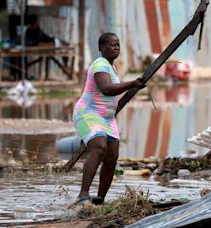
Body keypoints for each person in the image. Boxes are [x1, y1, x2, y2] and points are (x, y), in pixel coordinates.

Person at [72, 32, 145, 206]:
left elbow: (113, 88)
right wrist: (132, 83)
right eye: (112, 45)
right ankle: (83, 195)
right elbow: (106, 88)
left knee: (112, 156)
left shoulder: (112, 68)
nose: (116, 47)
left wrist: (131, 84)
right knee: (99, 147)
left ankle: (100, 199)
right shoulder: (99, 64)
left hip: (106, 118)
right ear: (101, 48)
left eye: (118, 44)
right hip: (88, 114)